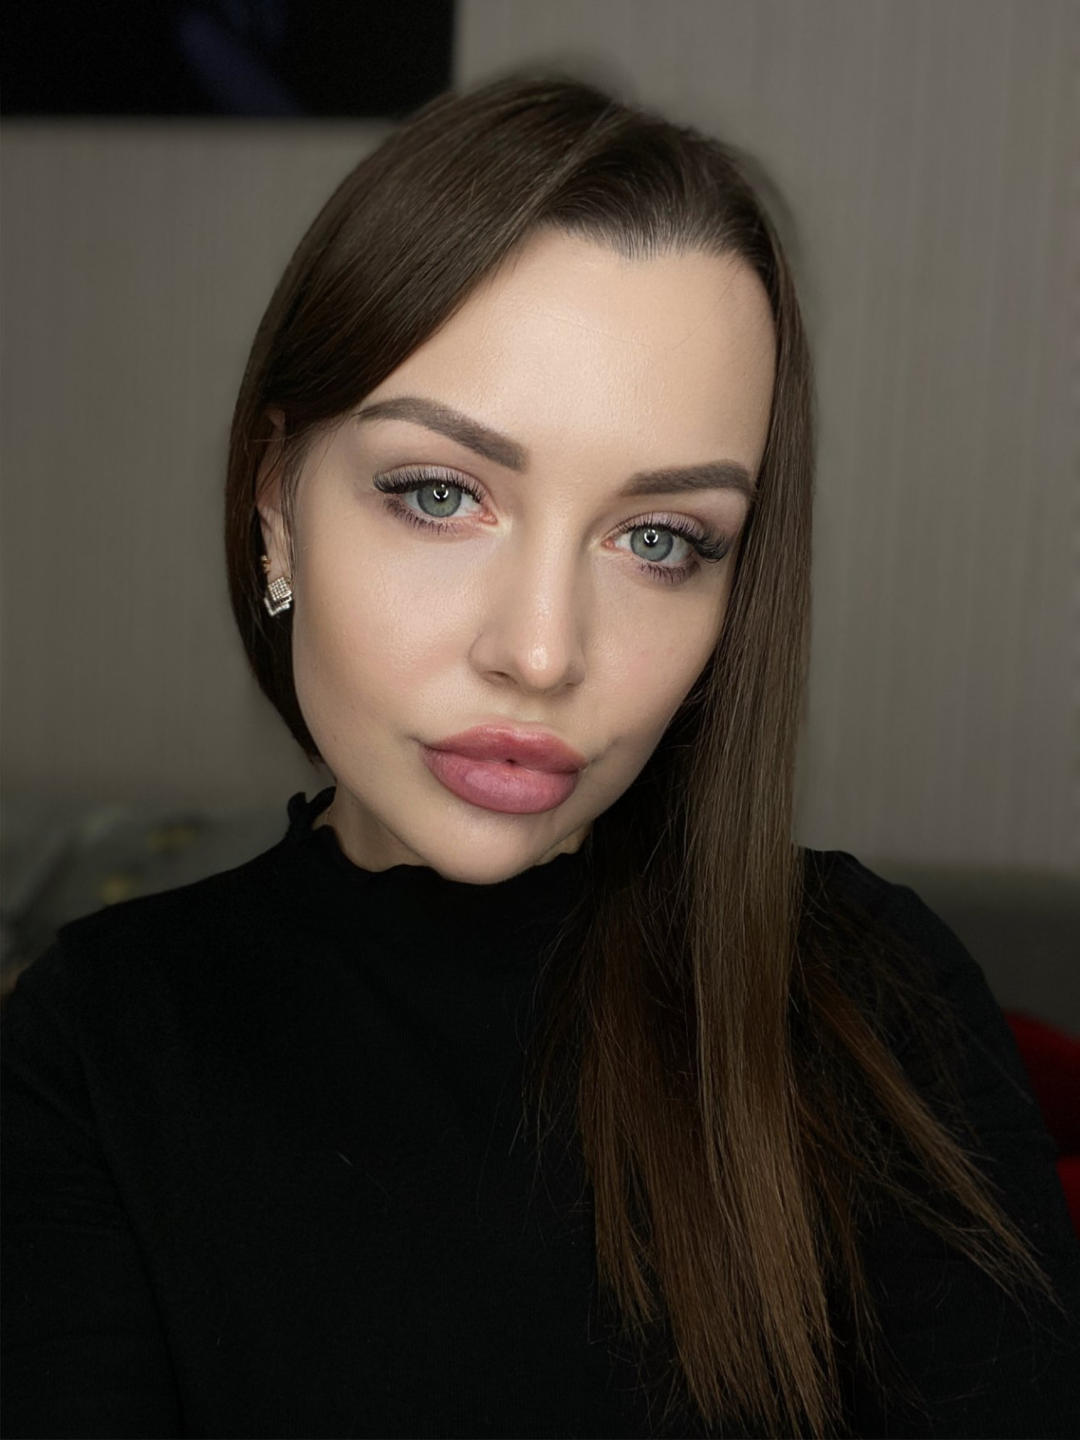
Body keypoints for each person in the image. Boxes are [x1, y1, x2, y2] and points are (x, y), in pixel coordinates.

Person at [3, 69, 1078, 1440]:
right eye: (440, 493)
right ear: (277, 502)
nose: (541, 650)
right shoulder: (97, 1046)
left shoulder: (878, 1006)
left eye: (660, 539)